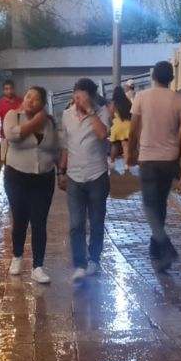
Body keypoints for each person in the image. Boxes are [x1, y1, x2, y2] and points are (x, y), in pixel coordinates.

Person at [127, 61, 181, 272]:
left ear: (153, 76)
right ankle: (157, 255)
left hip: (148, 157)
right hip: (169, 158)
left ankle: (165, 245)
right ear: (171, 78)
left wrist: (130, 152)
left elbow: (133, 128)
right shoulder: (179, 99)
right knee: (161, 204)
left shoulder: (142, 97)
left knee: (149, 205)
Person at [3, 86, 61, 284]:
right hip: (17, 176)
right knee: (19, 219)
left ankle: (38, 266)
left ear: (42, 104)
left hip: (43, 177)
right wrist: (35, 122)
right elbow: (12, 136)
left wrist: (61, 171)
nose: (30, 101)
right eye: (28, 96)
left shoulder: (50, 123)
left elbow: (55, 149)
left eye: (36, 99)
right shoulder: (13, 115)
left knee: (39, 222)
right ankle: (17, 256)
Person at [58, 78, 111, 282]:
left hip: (97, 175)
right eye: (75, 94)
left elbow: (102, 135)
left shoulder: (101, 112)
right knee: (76, 223)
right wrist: (61, 171)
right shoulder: (66, 115)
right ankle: (79, 263)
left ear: (91, 96)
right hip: (74, 177)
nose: (77, 98)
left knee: (96, 221)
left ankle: (94, 260)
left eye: (82, 94)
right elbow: (66, 145)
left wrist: (90, 113)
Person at [0, 80, 24, 162]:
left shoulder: (21, 101)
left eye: (11, 89)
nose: (9, 91)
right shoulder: (0, 103)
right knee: (6, 156)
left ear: (14, 89)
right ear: (3, 90)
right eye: (6, 89)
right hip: (6, 134)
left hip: (20, 132)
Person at [108, 86, 132, 171]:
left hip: (117, 126)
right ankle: (126, 165)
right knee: (126, 146)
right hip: (127, 126)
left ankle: (111, 162)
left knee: (115, 146)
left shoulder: (113, 103)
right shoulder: (127, 102)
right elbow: (131, 114)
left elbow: (110, 115)